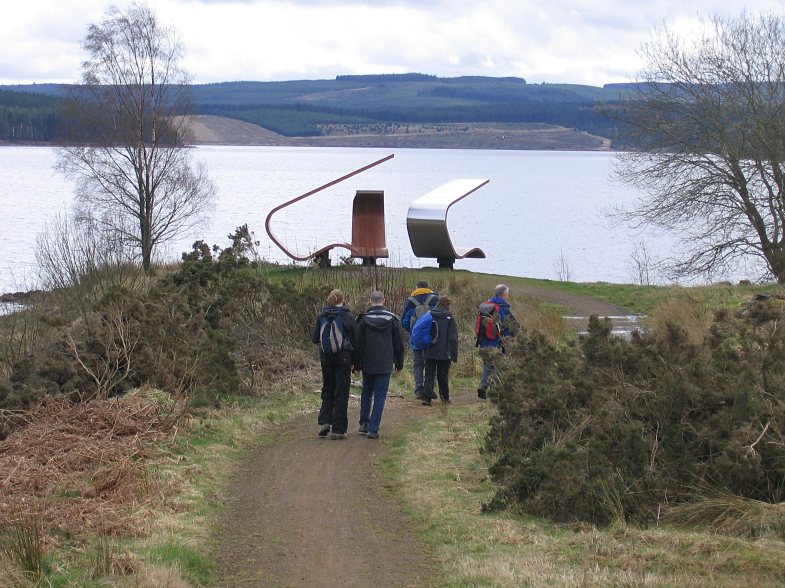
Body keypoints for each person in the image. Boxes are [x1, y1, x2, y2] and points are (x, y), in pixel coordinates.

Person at [356, 290, 405, 439]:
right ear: (383, 301)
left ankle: (364, 423)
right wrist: (399, 363)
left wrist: (356, 365)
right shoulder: (393, 319)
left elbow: (358, 344)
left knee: (366, 392)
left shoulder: (363, 319)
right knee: (380, 396)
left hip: (367, 362)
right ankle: (373, 429)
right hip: (384, 363)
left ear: (371, 301)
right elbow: (399, 344)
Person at [311, 289, 358, 440]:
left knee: (328, 387)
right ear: (343, 300)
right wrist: (356, 364)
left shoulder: (322, 316)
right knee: (341, 391)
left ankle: (324, 421)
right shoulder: (347, 316)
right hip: (343, 357)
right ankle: (338, 429)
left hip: (326, 357)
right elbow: (355, 340)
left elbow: (315, 338)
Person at [476, 284, 517, 399]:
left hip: (483, 342)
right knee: (498, 367)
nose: (508, 296)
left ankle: (484, 386)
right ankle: (493, 392)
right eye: (507, 294)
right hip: (497, 342)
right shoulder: (503, 308)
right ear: (504, 295)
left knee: (488, 365)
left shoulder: (485, 306)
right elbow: (513, 326)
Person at [400, 280, 438, 401]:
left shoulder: (411, 301)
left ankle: (419, 390)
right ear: (428, 288)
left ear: (417, 288)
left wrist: (413, 331)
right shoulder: (434, 299)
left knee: (418, 364)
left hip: (416, 338)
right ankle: (430, 388)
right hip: (432, 337)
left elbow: (404, 321)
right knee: (431, 364)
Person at [422, 295, 458, 406]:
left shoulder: (429, 314)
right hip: (444, 352)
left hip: (429, 349)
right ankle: (444, 397)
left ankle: (427, 398)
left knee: (429, 374)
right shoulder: (449, 318)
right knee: (443, 375)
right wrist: (454, 353)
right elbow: (452, 338)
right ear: (447, 305)